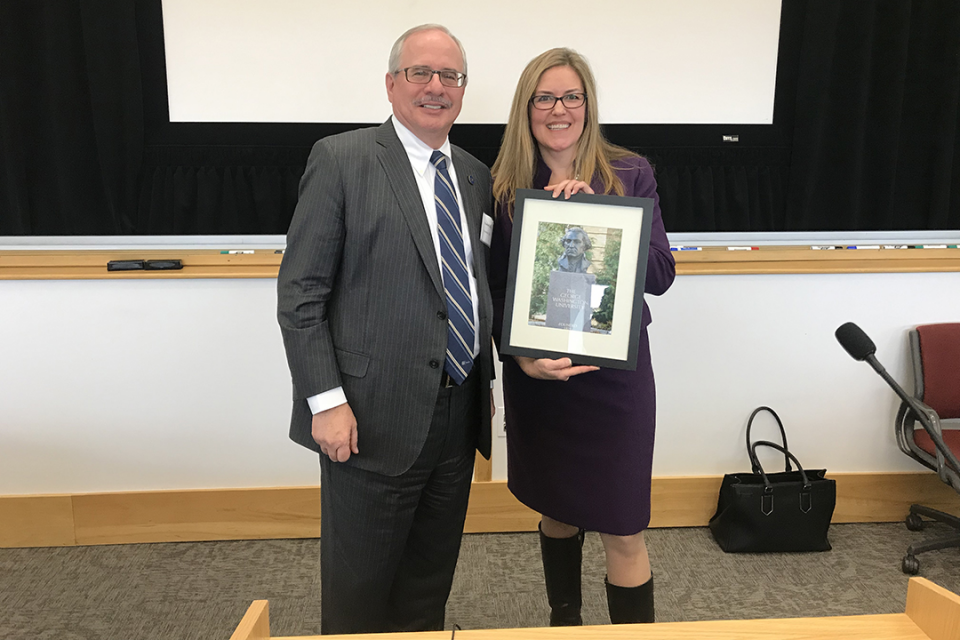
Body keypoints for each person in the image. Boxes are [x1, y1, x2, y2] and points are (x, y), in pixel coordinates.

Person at [276, 24, 494, 635]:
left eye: (449, 76)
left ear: (462, 89)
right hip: (366, 418)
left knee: (428, 586)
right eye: (421, 73)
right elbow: (301, 294)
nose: (436, 87)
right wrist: (325, 400)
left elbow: (477, 286)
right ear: (392, 82)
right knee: (358, 596)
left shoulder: (475, 175)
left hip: (457, 415)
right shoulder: (342, 160)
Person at [490, 48, 675, 625]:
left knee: (623, 526)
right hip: (541, 384)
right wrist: (520, 361)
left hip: (613, 385)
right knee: (557, 511)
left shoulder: (630, 173)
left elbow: (661, 276)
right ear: (527, 109)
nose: (559, 109)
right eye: (545, 97)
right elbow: (491, 294)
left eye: (572, 96)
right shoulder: (502, 188)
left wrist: (606, 221)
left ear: (588, 105)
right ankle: (563, 625)